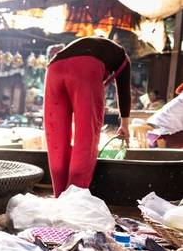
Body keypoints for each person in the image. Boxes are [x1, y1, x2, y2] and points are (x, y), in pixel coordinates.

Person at [45, 37, 131, 197]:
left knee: (55, 136)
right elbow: (123, 90)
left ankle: (59, 196)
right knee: (85, 137)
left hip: (54, 69)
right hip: (85, 68)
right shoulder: (122, 58)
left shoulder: (97, 47)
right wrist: (124, 124)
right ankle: (74, 200)